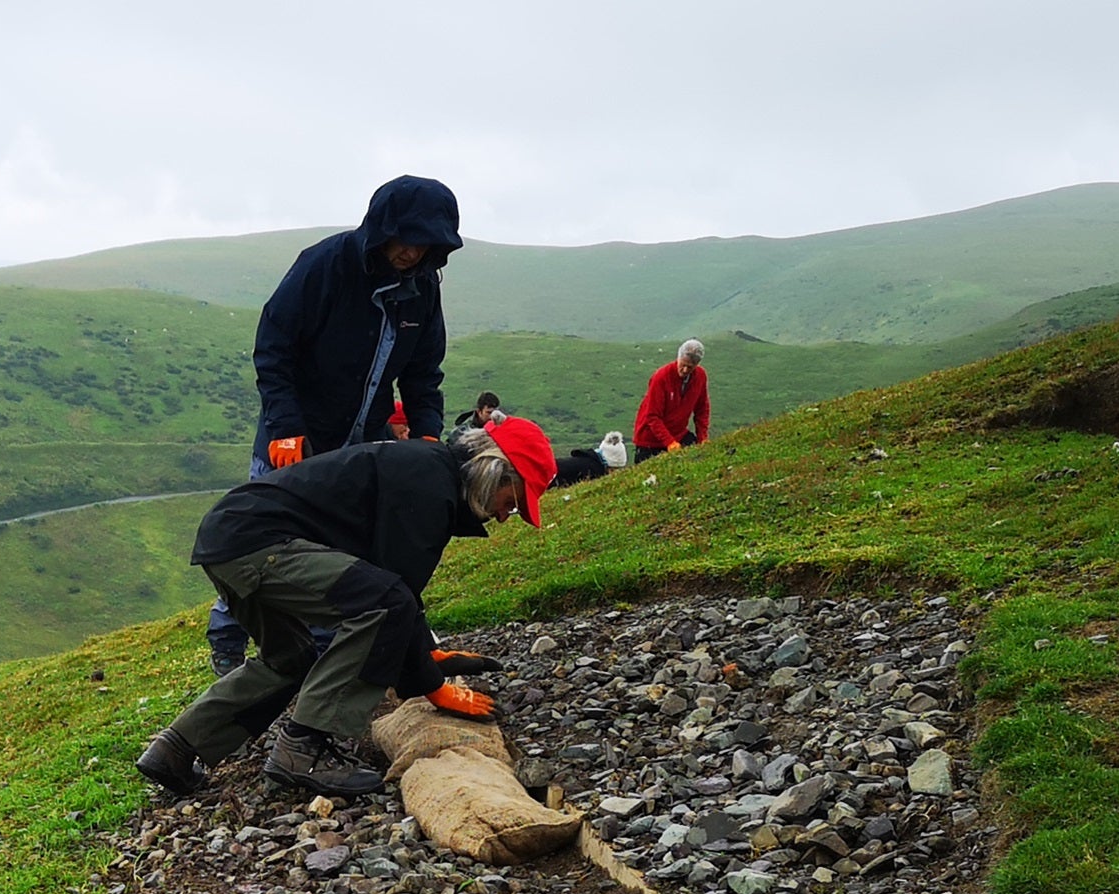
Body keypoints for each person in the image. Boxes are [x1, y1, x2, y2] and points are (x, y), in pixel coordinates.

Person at [137, 420, 557, 800]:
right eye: (513, 500)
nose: (506, 516)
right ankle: (303, 747)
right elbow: (395, 596)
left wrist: (427, 657)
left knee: (291, 658)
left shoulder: (426, 471)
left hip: (229, 538)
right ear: (493, 470)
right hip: (258, 544)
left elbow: (391, 585)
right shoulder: (430, 483)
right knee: (384, 604)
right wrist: (431, 685)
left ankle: (176, 750)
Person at [206, 175, 466, 676]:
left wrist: (427, 432)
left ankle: (325, 655)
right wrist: (284, 427)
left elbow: (422, 370)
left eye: (425, 245)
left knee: (341, 548)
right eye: (405, 240)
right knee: (258, 542)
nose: (411, 253)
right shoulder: (324, 265)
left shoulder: (422, 291)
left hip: (360, 442)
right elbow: (274, 348)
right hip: (295, 436)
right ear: (382, 228)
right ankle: (228, 646)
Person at [632, 339, 711, 454]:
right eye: (683, 365)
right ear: (678, 358)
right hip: (650, 440)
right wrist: (669, 442)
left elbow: (702, 409)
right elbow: (652, 416)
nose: (685, 370)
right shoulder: (661, 377)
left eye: (690, 367)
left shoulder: (700, 376)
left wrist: (702, 438)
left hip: (678, 435)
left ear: (697, 365)